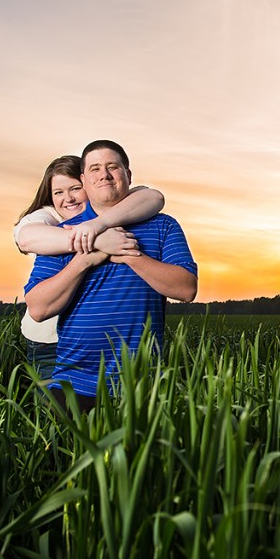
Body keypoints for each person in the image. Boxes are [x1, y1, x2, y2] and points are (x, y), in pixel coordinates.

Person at [25, 140, 197, 410]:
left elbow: (186, 288)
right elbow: (38, 307)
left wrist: (128, 253)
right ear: (84, 180)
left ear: (128, 175)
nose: (104, 174)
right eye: (94, 169)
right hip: (72, 382)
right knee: (66, 453)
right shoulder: (64, 235)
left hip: (143, 383)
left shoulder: (163, 225)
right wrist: (87, 258)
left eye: (112, 167)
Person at [14, 155, 165, 378]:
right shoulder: (50, 216)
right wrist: (97, 241)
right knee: (56, 411)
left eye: (75, 188)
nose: (68, 199)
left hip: (108, 339)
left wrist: (97, 224)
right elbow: (25, 237)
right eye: (58, 192)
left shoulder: (115, 207)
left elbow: (153, 197)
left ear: (89, 183)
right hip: (50, 342)